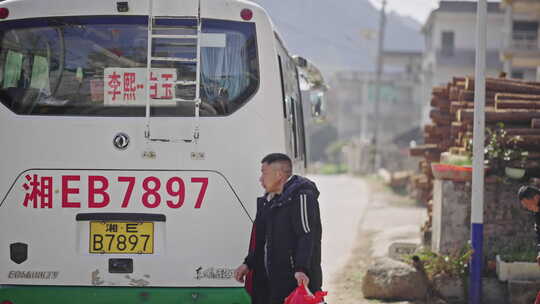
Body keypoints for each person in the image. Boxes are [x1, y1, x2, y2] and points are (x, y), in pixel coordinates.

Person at [234, 153, 323, 304]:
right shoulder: (268, 200)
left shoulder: (302, 197)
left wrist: (301, 269)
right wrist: (248, 263)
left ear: (279, 174)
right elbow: (261, 239)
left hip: (294, 281)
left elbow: (306, 235)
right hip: (270, 282)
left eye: (264, 173)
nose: (261, 179)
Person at [517, 185, 540, 266]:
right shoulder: (537, 214)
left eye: (527, 204)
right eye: (524, 205)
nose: (527, 208)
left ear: (536, 198)